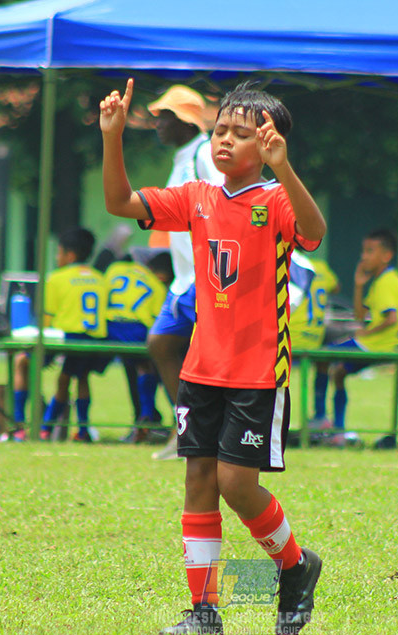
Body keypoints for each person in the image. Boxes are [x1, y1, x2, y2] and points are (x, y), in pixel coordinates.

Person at [101, 78, 326, 635]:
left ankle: (295, 564)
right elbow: (120, 203)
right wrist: (112, 137)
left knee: (237, 486)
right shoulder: (196, 196)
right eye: (221, 129)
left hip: (257, 373)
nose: (225, 139)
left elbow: (314, 232)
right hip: (202, 369)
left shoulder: (275, 199)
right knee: (199, 479)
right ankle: (204, 613)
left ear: (269, 145)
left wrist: (284, 169)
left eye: (241, 134)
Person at [144, 85, 226, 461]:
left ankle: (212, 434)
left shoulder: (204, 153)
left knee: (209, 359)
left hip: (206, 277)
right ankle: (188, 430)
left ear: (186, 122)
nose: (158, 124)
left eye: (166, 117)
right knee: (160, 343)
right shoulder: (182, 158)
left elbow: (225, 201)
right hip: (184, 278)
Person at [5, 228, 109, 442]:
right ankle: (78, 429)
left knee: (22, 362)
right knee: (76, 377)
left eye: (58, 253)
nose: (56, 257)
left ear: (69, 255)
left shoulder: (56, 279)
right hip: (94, 338)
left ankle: (20, 427)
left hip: (66, 337)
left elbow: (47, 319)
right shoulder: (100, 279)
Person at [311, 230, 398, 445]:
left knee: (322, 356)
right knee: (339, 373)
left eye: (370, 251)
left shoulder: (387, 282)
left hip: (377, 345)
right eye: (363, 251)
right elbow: (360, 316)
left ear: (386, 255)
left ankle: (321, 418)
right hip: (382, 344)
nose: (364, 256)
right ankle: (338, 431)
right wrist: (358, 285)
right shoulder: (384, 280)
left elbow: (391, 318)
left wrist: (367, 333)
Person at [104, 252, 170, 443]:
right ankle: (147, 419)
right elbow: (158, 323)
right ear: (163, 276)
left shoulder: (115, 269)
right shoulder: (157, 285)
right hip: (136, 330)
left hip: (105, 328)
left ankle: (146, 419)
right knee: (148, 366)